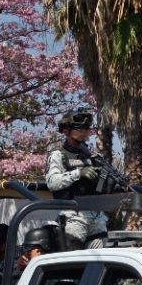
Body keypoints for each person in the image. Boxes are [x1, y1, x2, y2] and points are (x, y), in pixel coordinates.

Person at [44, 106, 109, 249]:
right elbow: (52, 182)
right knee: (73, 260)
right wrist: (78, 173)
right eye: (79, 129)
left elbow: (101, 188)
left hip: (96, 219)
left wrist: (106, 180)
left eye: (86, 129)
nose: (83, 132)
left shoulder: (93, 157)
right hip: (73, 218)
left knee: (100, 261)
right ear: (66, 131)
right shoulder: (58, 155)